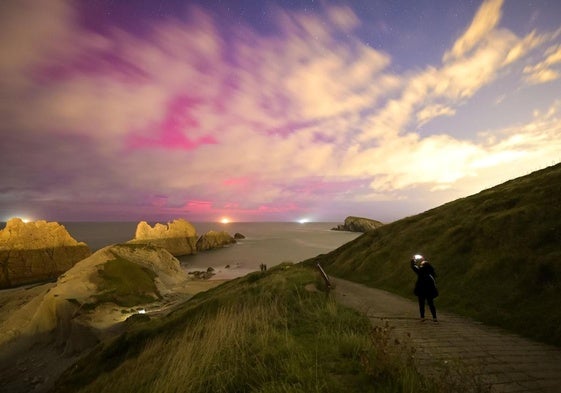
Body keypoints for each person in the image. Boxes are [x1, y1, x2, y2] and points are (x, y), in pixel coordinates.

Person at [410, 254, 438, 322]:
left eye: (422, 263)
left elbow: (413, 266)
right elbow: (426, 264)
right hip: (429, 291)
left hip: (421, 290)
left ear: (423, 266)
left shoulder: (420, 272)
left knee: (421, 304)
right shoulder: (431, 273)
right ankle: (434, 317)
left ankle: (422, 317)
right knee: (431, 304)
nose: (421, 263)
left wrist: (413, 260)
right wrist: (424, 259)